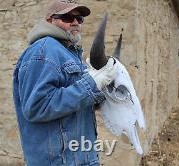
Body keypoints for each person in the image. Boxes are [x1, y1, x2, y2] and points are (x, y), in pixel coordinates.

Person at [12, 0, 117, 165]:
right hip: (58, 161)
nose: (75, 22)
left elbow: (75, 103)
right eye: (67, 17)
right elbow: (37, 107)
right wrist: (90, 85)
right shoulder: (43, 51)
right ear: (49, 20)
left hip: (81, 158)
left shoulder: (69, 53)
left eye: (79, 18)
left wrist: (101, 91)